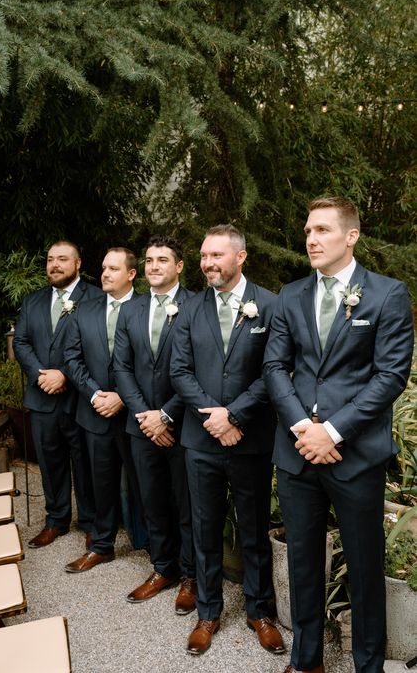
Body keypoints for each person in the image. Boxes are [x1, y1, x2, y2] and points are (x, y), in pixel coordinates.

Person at [262, 196, 414, 673]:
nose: (311, 239)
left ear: (351, 236)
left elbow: (389, 376)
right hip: (297, 450)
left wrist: (332, 430)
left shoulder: (388, 295)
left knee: (365, 567)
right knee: (304, 560)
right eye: (308, 230)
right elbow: (274, 365)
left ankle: (367, 665)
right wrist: (303, 427)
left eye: (323, 230)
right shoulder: (289, 295)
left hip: (356, 455)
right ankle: (307, 659)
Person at [170, 224, 285, 656]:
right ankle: (208, 611)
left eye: (217, 255)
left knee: (254, 529)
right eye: (203, 256)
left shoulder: (270, 306)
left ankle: (259, 611)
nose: (208, 263)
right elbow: (179, 371)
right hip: (201, 441)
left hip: (250, 439)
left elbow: (274, 371)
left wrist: (234, 415)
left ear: (241, 257)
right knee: (204, 529)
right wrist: (214, 418)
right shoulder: (189, 309)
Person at [113, 235, 197, 615]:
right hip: (141, 426)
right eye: (148, 260)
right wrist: (146, 416)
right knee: (152, 502)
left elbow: (201, 371)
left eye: (162, 259)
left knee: (187, 503)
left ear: (179, 266)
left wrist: (166, 415)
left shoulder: (197, 305)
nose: (154, 266)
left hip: (183, 424)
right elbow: (122, 368)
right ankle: (162, 568)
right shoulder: (132, 309)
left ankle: (191, 576)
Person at [63, 247, 148, 572]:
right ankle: (102, 545)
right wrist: (96, 393)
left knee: (146, 483)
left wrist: (123, 397)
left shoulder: (145, 309)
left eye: (113, 268)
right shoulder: (85, 310)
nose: (105, 274)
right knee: (101, 482)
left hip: (136, 414)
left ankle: (155, 549)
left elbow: (152, 363)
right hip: (95, 412)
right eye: (103, 268)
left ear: (131, 274)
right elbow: (71, 357)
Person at [13, 240, 102, 549]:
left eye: (62, 259)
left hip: (80, 398)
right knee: (49, 461)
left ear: (78, 264)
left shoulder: (96, 298)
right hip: (42, 397)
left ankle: (92, 521)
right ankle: (56, 520)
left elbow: (98, 346)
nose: (54, 264)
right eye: (50, 259)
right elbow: (21, 342)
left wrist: (64, 374)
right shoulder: (33, 300)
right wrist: (41, 375)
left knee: (85, 461)